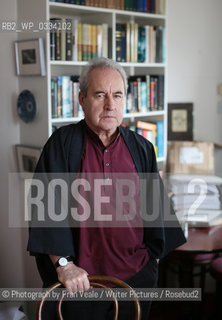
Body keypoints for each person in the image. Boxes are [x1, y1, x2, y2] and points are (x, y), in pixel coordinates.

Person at [28, 57, 186, 319]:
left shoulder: (142, 148)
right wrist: (65, 266)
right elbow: (46, 212)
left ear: (125, 100)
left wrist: (150, 265)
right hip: (79, 286)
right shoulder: (61, 145)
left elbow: (156, 214)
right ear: (82, 99)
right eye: (100, 95)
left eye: (118, 95)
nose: (110, 105)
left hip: (136, 282)